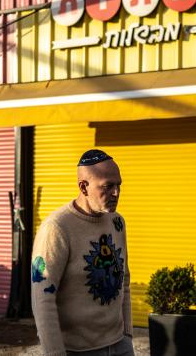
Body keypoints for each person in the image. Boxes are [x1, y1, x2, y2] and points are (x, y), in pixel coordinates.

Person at [31, 149, 133, 356]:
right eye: (108, 186)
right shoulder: (57, 227)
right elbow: (42, 298)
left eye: (119, 185)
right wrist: (55, 352)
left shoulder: (117, 222)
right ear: (83, 187)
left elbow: (124, 280)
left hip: (120, 343)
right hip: (78, 350)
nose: (116, 193)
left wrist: (128, 334)